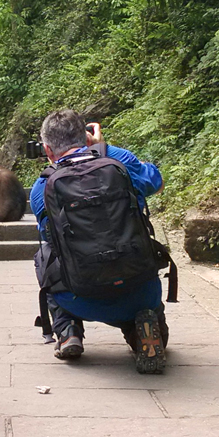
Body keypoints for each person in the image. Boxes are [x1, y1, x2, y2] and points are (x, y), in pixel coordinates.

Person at [30, 109, 170, 374]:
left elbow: (50, 237)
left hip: (79, 295)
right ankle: (143, 328)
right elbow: (158, 182)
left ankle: (68, 329)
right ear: (85, 137)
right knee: (140, 302)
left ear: (47, 149)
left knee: (44, 254)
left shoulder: (42, 188)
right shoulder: (121, 162)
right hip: (141, 290)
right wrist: (104, 147)